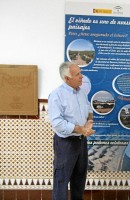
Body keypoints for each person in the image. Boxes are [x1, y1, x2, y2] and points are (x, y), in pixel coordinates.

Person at [48, 62, 95, 200]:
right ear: (67, 78)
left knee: (79, 180)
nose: (82, 77)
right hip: (65, 143)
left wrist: (89, 121)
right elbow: (57, 123)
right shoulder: (56, 95)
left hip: (81, 141)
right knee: (61, 181)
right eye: (78, 74)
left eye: (80, 72)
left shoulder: (81, 93)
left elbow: (89, 109)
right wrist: (81, 129)